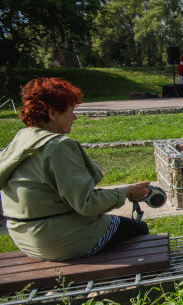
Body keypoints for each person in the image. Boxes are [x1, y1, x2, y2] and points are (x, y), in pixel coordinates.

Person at [0, 78, 152, 261]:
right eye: (71, 111)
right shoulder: (57, 146)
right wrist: (127, 192)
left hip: (27, 240)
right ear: (53, 113)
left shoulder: (21, 139)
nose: (75, 117)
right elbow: (87, 204)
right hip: (58, 241)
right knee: (138, 229)